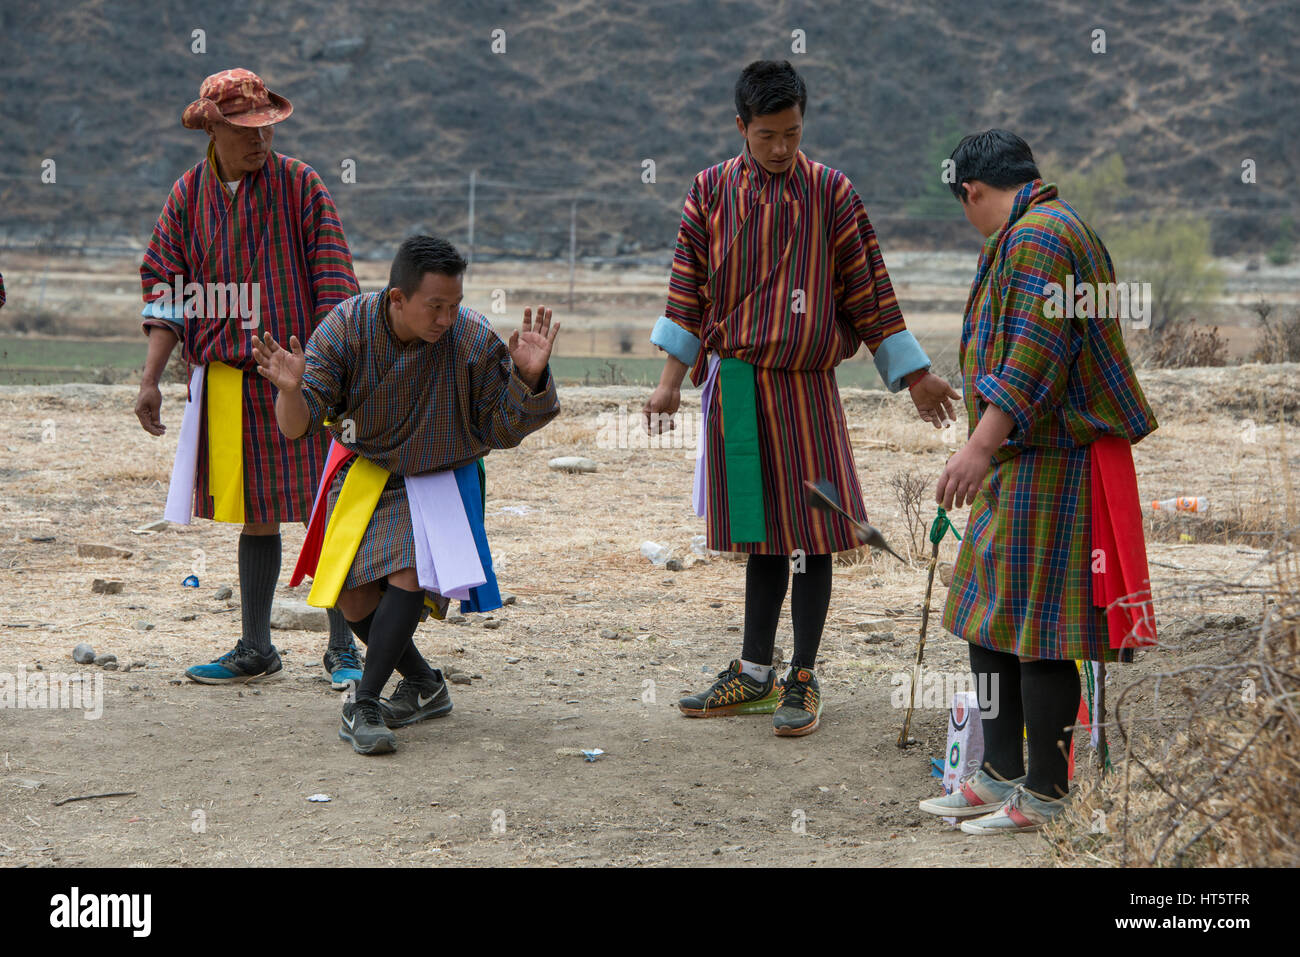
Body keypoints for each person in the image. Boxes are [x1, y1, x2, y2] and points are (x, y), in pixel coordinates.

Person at [644, 60, 958, 737]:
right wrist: (669, 383)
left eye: (792, 132)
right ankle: (755, 672)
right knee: (761, 539)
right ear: (740, 128)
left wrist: (915, 377)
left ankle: (805, 676)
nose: (782, 148)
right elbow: (685, 292)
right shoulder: (708, 192)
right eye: (766, 135)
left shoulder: (832, 194)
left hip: (808, 387)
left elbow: (868, 293)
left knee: (815, 534)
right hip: (736, 384)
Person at [918, 130, 1158, 833]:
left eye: (965, 205)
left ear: (973, 192)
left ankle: (1048, 792)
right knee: (987, 616)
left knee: (1043, 629)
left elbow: (1037, 353)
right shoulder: (1032, 232)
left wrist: (980, 446)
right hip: (1027, 455)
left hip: (1055, 455)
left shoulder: (1043, 237)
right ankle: (998, 774)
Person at [255, 235, 561, 754]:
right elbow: (298, 427)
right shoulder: (347, 328)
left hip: (441, 474)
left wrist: (527, 381)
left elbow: (503, 429)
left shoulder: (470, 340)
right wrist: (289, 390)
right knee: (353, 597)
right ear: (397, 298)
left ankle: (364, 703)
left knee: (408, 571)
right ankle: (425, 683)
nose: (446, 318)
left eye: (455, 305)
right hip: (367, 469)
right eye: (435, 306)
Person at [135, 68, 365, 689]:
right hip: (230, 380)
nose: (258, 139)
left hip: (305, 374)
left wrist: (330, 372)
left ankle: (344, 650)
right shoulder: (187, 196)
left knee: (331, 505)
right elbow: (166, 291)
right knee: (255, 513)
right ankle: (256, 646)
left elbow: (335, 284)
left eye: (265, 126)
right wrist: (152, 378)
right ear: (210, 127)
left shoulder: (301, 186)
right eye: (243, 128)